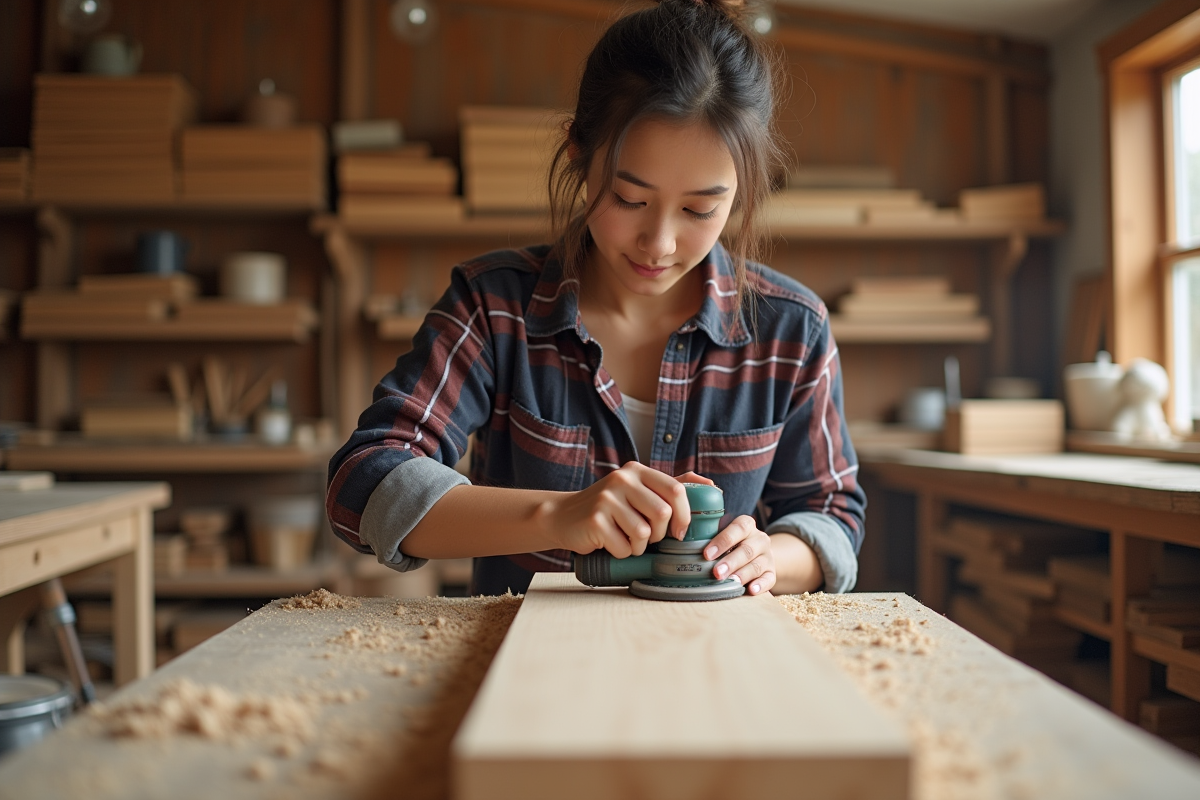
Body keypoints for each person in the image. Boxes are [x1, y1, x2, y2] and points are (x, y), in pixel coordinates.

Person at [326, 0, 865, 597]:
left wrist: (769, 556)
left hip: (719, 666)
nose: (658, 243)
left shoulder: (793, 329)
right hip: (533, 668)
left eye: (699, 210)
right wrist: (557, 515)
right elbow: (364, 482)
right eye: (629, 198)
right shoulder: (493, 306)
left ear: (742, 194)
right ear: (579, 156)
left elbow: (833, 515)